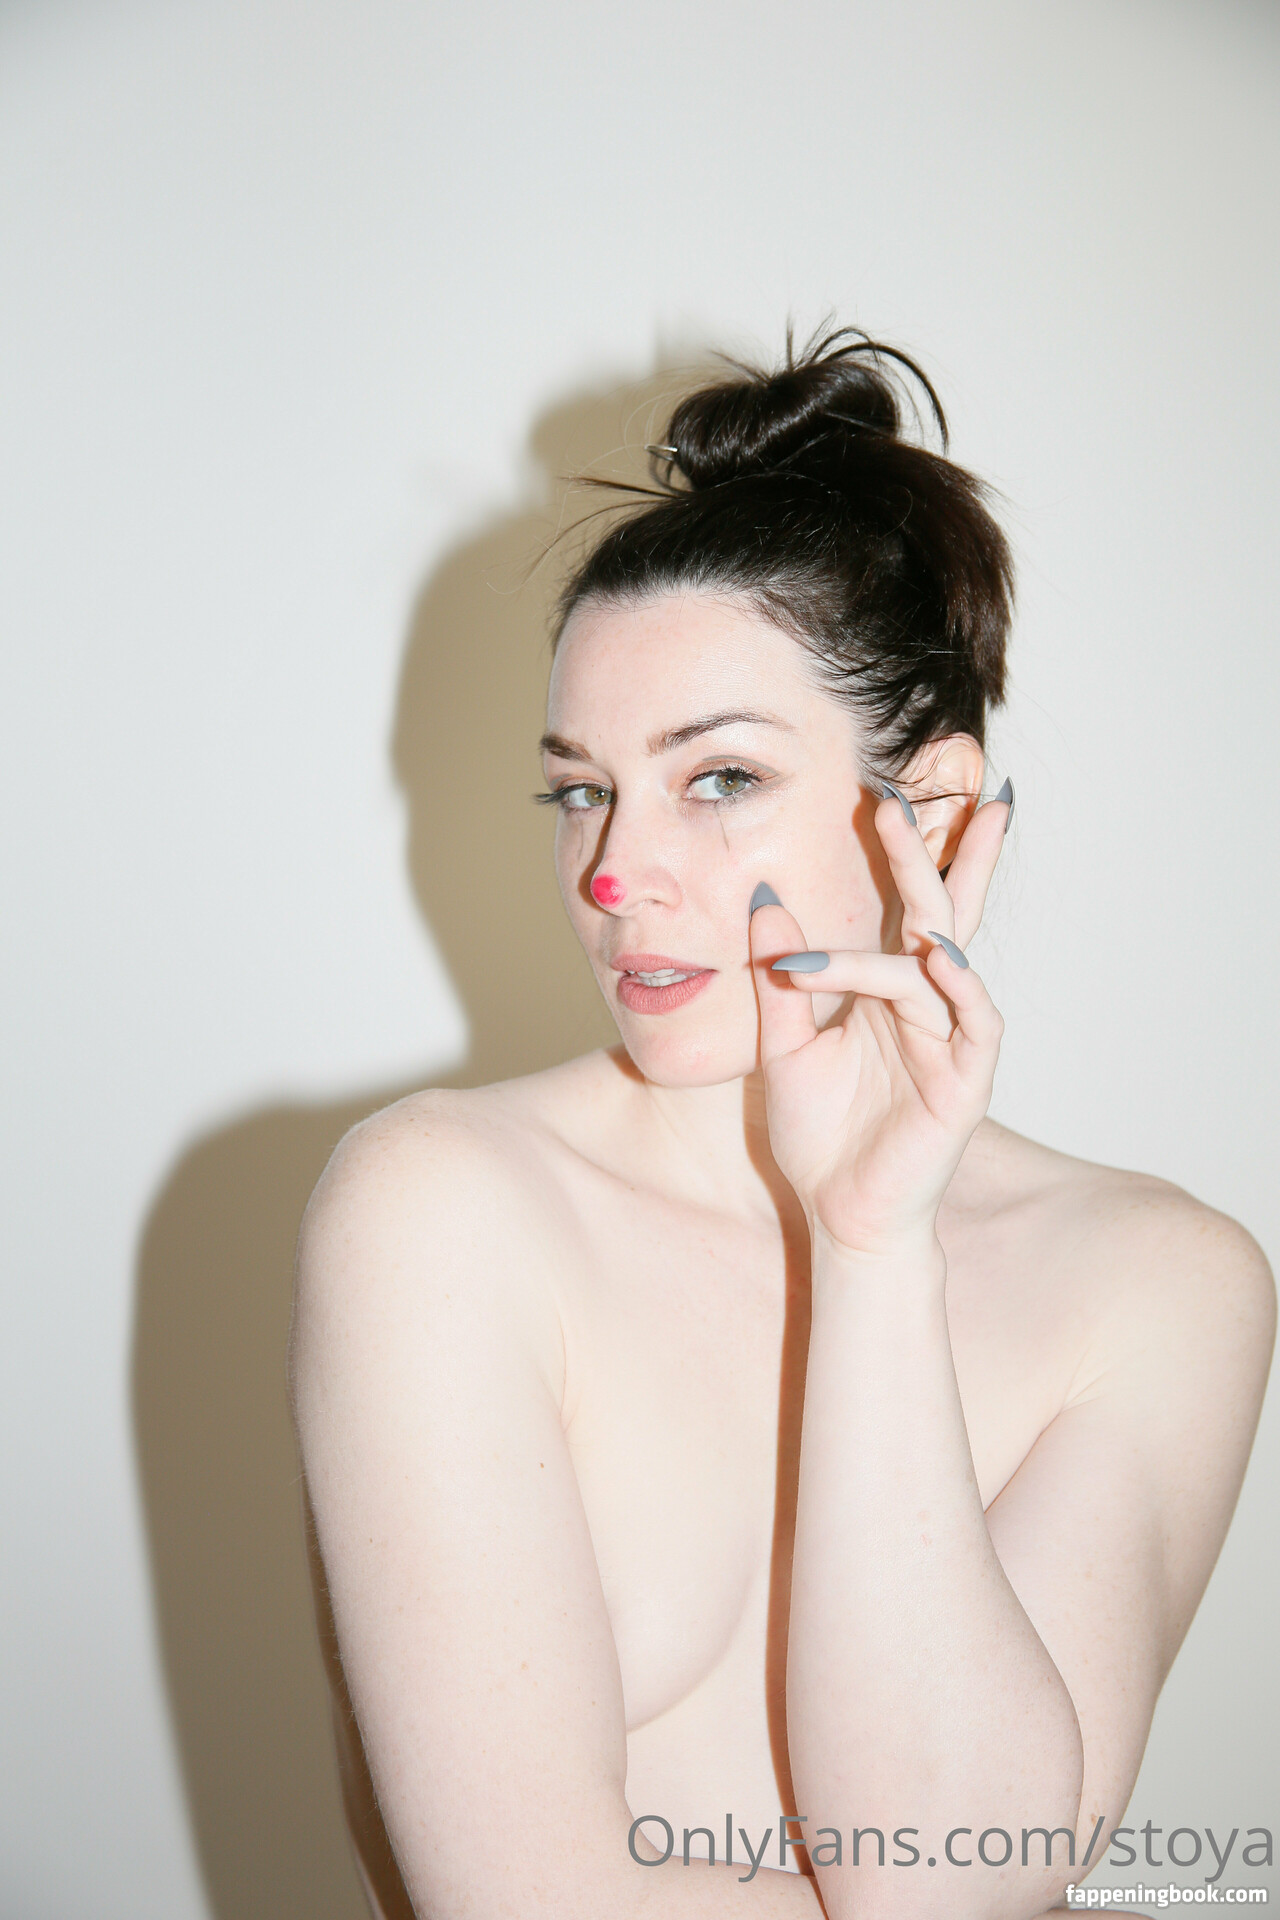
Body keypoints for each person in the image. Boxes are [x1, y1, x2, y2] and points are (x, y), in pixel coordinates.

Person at [287, 328, 1274, 1920]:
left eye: (720, 778)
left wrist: (873, 1248)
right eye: (580, 789)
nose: (614, 874)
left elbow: (947, 1885)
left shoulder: (1166, 1282)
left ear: (928, 812)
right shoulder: (442, 1210)